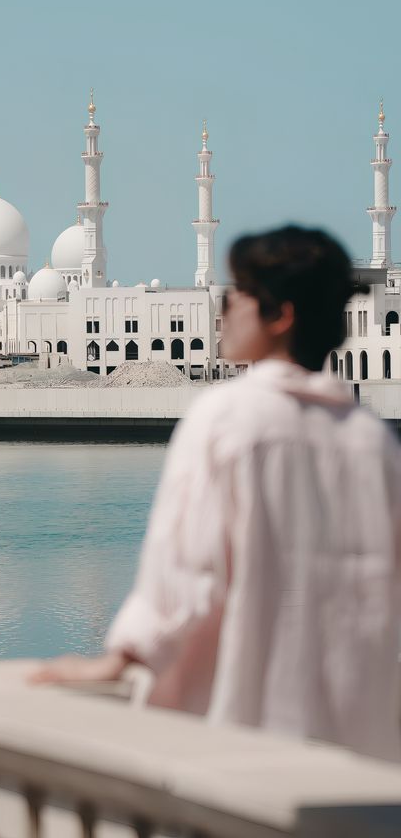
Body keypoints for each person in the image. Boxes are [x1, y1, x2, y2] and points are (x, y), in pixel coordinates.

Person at [32, 225, 401, 762]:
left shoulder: (226, 420)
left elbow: (187, 575)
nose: (222, 309)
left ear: (281, 314)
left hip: (251, 744)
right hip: (364, 752)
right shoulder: (373, 443)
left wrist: (120, 657)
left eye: (236, 294)